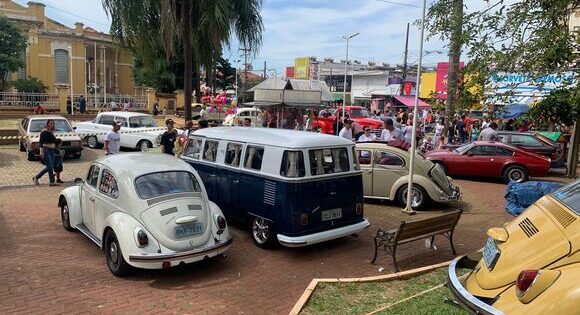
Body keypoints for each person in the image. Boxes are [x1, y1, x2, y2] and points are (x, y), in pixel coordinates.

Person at [33, 120, 59, 186]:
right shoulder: (44, 132)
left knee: (51, 166)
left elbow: (53, 141)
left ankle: (52, 182)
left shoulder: (51, 132)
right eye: (50, 123)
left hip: (52, 150)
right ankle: (36, 177)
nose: (52, 124)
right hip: (46, 150)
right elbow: (41, 142)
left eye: (53, 123)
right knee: (49, 166)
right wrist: (41, 151)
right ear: (47, 124)